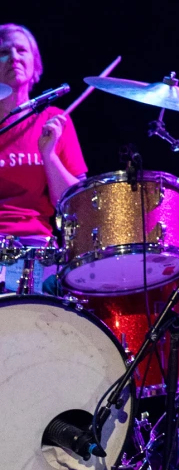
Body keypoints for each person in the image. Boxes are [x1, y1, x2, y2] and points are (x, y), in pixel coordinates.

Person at [0, 24, 86, 291]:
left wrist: (50, 156)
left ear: (34, 63)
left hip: (38, 246)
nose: (14, 57)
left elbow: (72, 204)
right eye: (3, 51)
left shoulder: (55, 121)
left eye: (21, 50)